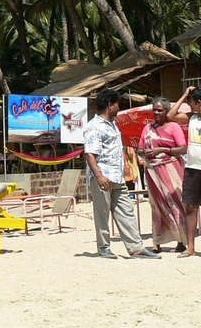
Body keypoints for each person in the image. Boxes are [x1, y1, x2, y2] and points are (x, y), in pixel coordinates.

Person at [83, 87, 160, 259]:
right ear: (110, 105)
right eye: (117, 104)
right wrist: (99, 176)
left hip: (117, 176)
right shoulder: (94, 127)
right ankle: (104, 248)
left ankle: (136, 248)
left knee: (126, 210)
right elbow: (90, 153)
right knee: (102, 214)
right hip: (102, 176)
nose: (119, 107)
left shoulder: (113, 124)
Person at [137, 97, 187, 253]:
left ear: (166, 111)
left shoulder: (174, 127)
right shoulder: (147, 128)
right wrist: (144, 152)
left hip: (171, 169)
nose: (156, 113)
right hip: (152, 171)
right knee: (156, 205)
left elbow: (182, 148)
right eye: (154, 110)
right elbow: (138, 148)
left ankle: (181, 241)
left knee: (175, 204)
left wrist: (162, 150)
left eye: (160, 110)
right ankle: (157, 241)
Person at [167, 85, 201, 257]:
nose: (189, 106)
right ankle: (191, 248)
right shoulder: (191, 117)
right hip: (192, 169)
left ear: (199, 102)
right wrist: (185, 94)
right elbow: (170, 115)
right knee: (191, 208)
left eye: (191, 102)